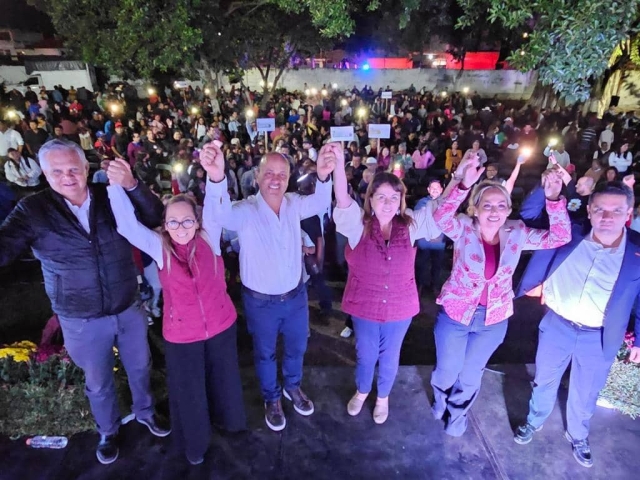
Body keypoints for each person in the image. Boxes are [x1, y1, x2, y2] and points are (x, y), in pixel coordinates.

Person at [0, 139, 169, 465]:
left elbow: (154, 216)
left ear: (86, 168)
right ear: (44, 174)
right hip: (80, 317)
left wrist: (132, 184)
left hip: (128, 306)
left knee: (140, 366)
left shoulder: (110, 196)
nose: (67, 176)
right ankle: (107, 430)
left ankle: (145, 412)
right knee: (98, 380)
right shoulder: (33, 210)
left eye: (73, 168)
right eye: (57, 171)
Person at [107, 166, 246, 465]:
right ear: (165, 225)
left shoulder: (210, 237)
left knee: (225, 380)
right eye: (173, 221)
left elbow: (215, 202)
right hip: (182, 336)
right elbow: (128, 227)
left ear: (197, 222)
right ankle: (196, 443)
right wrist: (115, 187)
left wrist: (216, 174)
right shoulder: (159, 248)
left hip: (221, 326)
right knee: (190, 392)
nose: (181, 227)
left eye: (187, 220)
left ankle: (230, 422)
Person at [430, 154, 570, 437]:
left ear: (508, 210)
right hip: (455, 314)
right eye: (487, 205)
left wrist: (553, 198)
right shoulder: (463, 229)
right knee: (447, 370)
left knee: (470, 375)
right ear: (476, 208)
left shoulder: (517, 232)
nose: (494, 211)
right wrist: (461, 184)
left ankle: (457, 416)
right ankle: (440, 399)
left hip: (492, 321)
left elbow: (559, 237)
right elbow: (440, 217)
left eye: (501, 205)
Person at [200, 142, 336, 432]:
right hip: (260, 302)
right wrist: (216, 178)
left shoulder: (294, 204)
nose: (276, 179)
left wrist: (324, 175)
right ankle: (271, 399)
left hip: (296, 297)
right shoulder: (244, 211)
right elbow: (218, 215)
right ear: (257, 177)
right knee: (264, 353)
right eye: (269, 173)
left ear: (288, 178)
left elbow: (320, 202)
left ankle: (293, 387)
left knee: (297, 348)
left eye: (282, 174)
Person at [514, 181, 640, 468]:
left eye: (616, 210)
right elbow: (530, 216)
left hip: (599, 337)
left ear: (629, 212)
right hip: (557, 325)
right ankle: (534, 422)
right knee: (544, 378)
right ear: (589, 209)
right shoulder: (567, 233)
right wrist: (550, 189)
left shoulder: (637, 251)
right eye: (599, 209)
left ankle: (578, 435)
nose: (606, 217)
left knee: (587, 390)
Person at [332, 145, 442, 424]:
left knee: (390, 357)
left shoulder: (411, 225)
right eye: (381, 196)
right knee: (366, 354)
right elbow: (343, 199)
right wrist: (338, 164)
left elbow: (441, 213)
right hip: (365, 306)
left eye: (394, 197)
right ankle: (362, 391)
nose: (388, 202)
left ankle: (383, 398)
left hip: (399, 308)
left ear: (401, 200)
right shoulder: (359, 225)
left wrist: (461, 181)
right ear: (371, 199)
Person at [414, 179, 446, 296]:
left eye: (437, 188)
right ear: (428, 190)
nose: (435, 190)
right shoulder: (421, 203)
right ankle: (419, 287)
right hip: (424, 241)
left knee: (437, 266)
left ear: (442, 190)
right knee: (421, 265)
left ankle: (435, 286)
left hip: (439, 241)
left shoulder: (445, 203)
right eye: (432, 188)